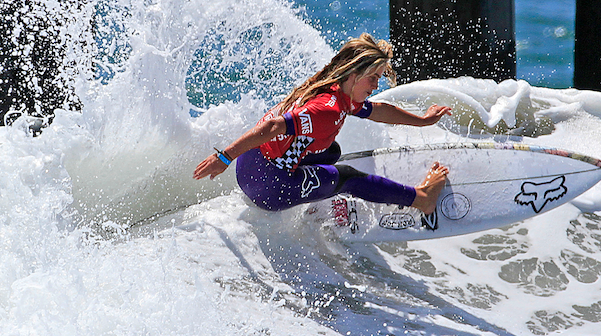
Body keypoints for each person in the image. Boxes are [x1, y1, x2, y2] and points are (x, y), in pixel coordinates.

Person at [193, 33, 452, 214]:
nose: (376, 86)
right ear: (354, 74)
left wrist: (424, 121)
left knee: (332, 152)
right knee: (349, 177)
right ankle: (422, 199)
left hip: (250, 165)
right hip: (269, 186)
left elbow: (378, 111)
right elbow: (271, 127)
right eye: (372, 78)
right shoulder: (326, 110)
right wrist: (224, 158)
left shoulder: (336, 89)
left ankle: (317, 191)